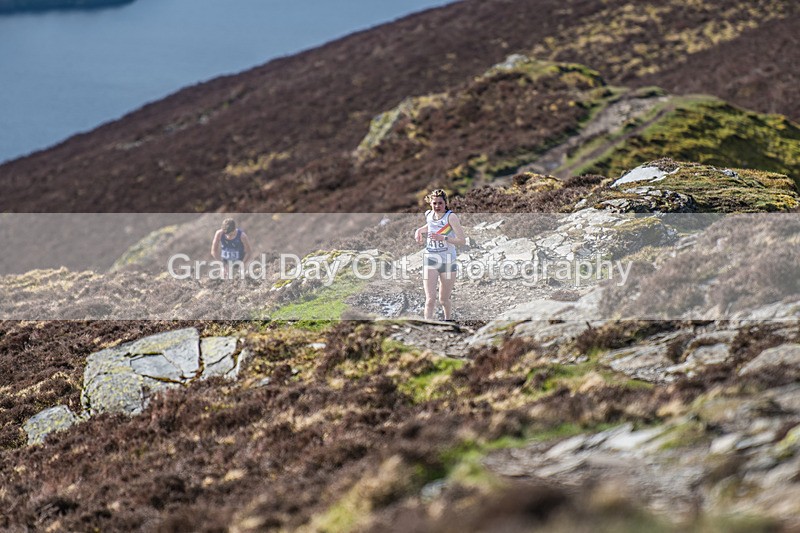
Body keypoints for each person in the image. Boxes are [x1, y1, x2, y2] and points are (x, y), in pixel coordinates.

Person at [414, 189, 465, 321]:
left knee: (443, 300)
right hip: (430, 258)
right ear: (430, 203)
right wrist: (419, 230)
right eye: (434, 203)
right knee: (430, 300)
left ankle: (448, 321)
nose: (437, 206)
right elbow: (430, 226)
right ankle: (428, 325)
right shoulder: (429, 215)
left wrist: (443, 238)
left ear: (446, 203)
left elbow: (462, 241)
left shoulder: (451, 217)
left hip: (448, 260)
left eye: (440, 203)